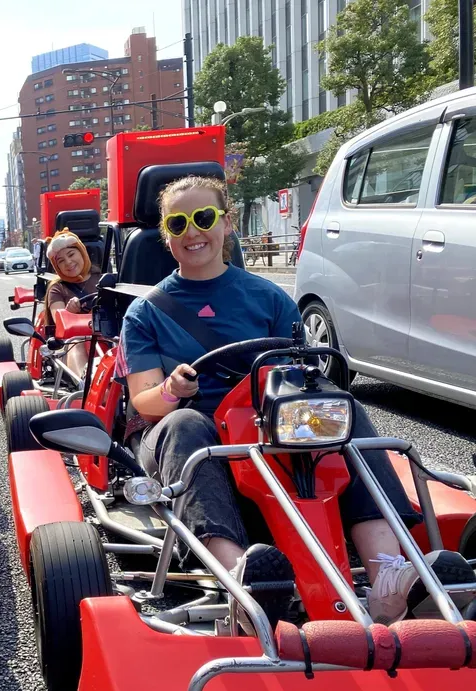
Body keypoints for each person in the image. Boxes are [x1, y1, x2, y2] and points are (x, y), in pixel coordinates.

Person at [116, 174, 472, 629]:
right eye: (178, 223)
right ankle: (242, 577)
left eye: (203, 218)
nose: (192, 232)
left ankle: (387, 574)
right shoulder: (146, 312)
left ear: (226, 223)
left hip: (267, 425)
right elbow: (145, 402)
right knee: (186, 422)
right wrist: (172, 389)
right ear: (166, 236)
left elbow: (300, 376)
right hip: (188, 430)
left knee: (341, 407)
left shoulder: (267, 298)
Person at [43, 228, 103, 378]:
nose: (68, 262)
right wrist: (70, 313)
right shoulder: (57, 288)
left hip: (106, 337)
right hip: (71, 343)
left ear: (82, 252)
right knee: (77, 342)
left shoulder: (103, 280)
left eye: (71, 255)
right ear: (57, 267)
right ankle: (85, 384)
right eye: (61, 261)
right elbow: (59, 320)